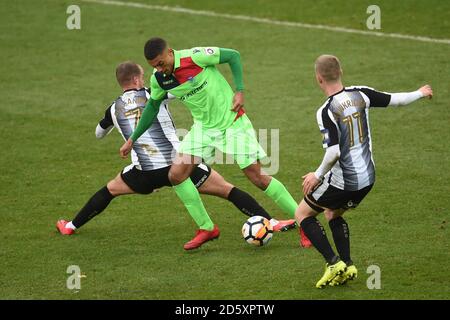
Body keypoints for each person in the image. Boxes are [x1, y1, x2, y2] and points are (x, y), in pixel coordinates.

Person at [56, 61, 296, 240]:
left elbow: (99, 132)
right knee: (228, 190)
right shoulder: (155, 93)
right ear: (139, 80)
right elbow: (181, 89)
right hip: (178, 165)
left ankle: (71, 226)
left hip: (144, 174)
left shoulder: (112, 108)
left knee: (108, 190)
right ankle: (271, 222)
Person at [119, 38, 311, 250]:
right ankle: (207, 228)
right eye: (154, 66)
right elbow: (152, 107)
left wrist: (239, 90)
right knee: (176, 174)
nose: (159, 68)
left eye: (161, 63)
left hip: (232, 123)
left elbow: (233, 55)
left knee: (257, 177)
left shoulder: (195, 56)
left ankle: (305, 223)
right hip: (203, 129)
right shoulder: (159, 80)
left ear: (170, 53)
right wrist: (132, 139)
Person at [295, 54, 433, 288]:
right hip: (368, 178)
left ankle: (333, 263)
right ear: (342, 72)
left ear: (318, 79)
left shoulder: (326, 110)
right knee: (332, 214)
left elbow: (334, 152)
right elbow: (396, 100)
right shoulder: (361, 93)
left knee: (302, 214)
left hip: (344, 180)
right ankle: (347, 265)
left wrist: (316, 175)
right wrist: (419, 93)